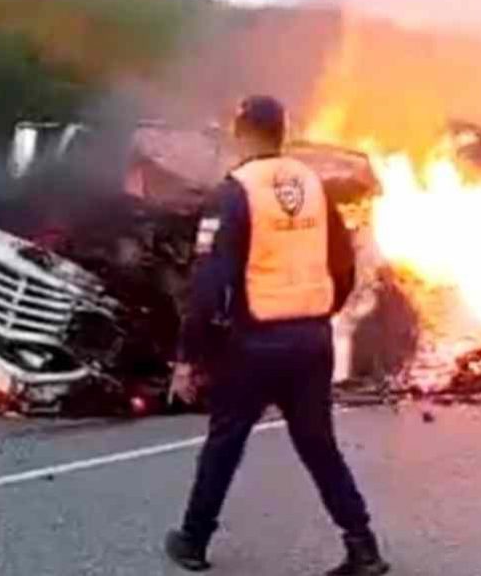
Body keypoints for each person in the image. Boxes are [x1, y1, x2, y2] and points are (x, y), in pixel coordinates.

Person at [165, 96, 389, 575]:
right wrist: (321, 309)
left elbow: (209, 283)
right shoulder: (314, 186)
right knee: (318, 444)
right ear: (283, 132)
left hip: (253, 343)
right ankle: (363, 545)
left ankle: (193, 540)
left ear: (240, 133)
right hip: (311, 339)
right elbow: (345, 264)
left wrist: (190, 356)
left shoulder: (233, 192)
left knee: (226, 440)